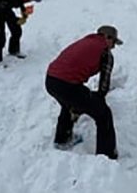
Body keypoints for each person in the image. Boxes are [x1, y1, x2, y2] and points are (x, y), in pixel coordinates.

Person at [45, 25, 122, 160]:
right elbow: (104, 85)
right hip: (67, 84)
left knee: (69, 103)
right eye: (114, 42)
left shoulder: (86, 42)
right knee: (103, 114)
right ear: (107, 38)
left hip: (51, 80)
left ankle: (62, 139)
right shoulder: (105, 53)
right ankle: (107, 156)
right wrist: (99, 101)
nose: (113, 47)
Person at [0, 0, 41, 64]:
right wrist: (15, 20)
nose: (32, 0)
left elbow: (22, 5)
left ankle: (14, 50)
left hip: (5, 7)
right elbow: (4, 9)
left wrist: (24, 16)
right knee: (0, 35)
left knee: (16, 30)